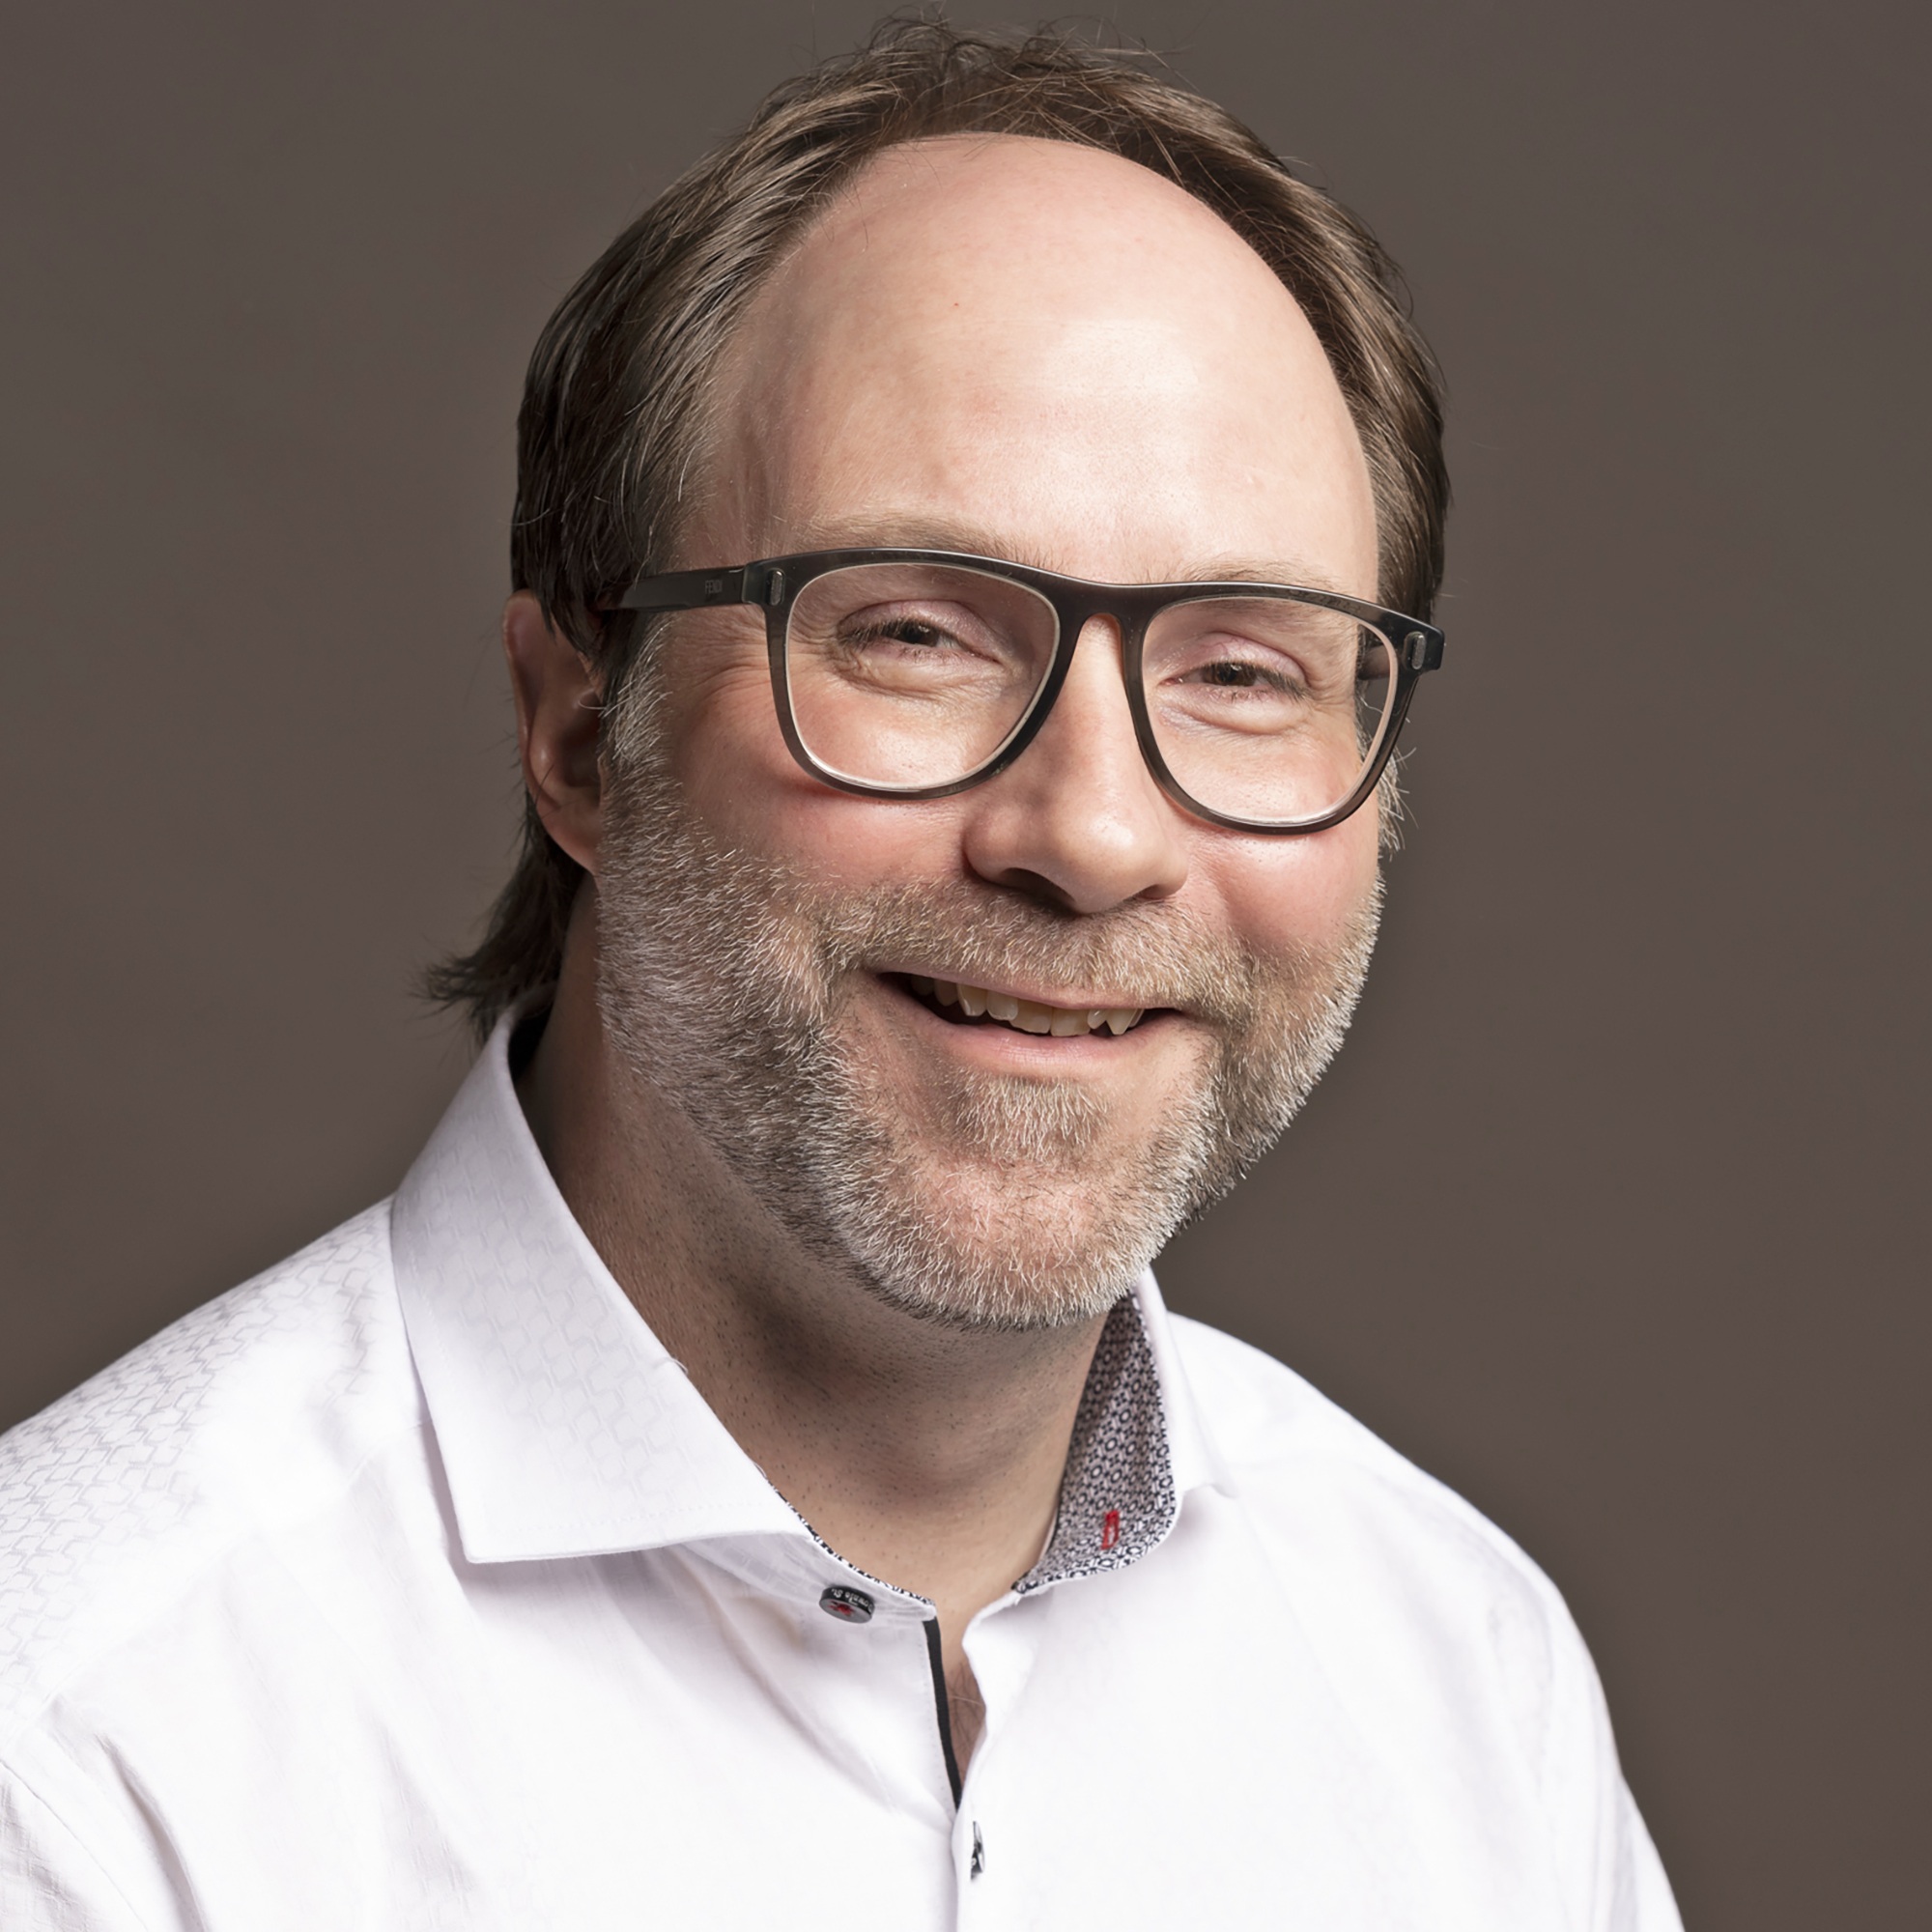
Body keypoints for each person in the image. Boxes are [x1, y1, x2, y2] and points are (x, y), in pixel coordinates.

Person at [0, 22, 1681, 1929]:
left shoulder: (1459, 1679)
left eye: (1239, 666)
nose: (1095, 833)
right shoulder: (80, 1749)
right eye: (910, 631)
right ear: (575, 730)